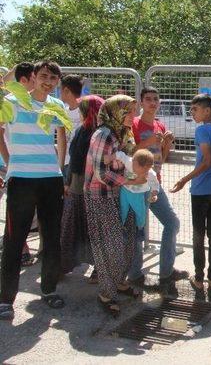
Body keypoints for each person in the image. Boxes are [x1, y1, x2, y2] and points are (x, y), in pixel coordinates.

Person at [0, 60, 68, 320]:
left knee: (51, 238)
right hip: (22, 180)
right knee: (14, 239)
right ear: (33, 77)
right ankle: (6, 300)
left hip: (50, 179)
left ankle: (49, 290)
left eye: (53, 78)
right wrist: (9, 162)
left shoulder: (57, 105)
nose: (48, 82)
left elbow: (61, 136)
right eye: (43, 76)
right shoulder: (13, 101)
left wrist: (60, 170)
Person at [85, 94, 143, 318]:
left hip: (122, 195)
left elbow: (128, 162)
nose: (132, 116)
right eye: (128, 111)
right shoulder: (104, 134)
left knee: (127, 241)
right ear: (115, 112)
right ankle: (106, 294)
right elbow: (100, 172)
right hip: (101, 196)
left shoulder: (123, 133)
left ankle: (119, 282)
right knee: (110, 247)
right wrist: (130, 181)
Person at [128, 86, 188, 289]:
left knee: (172, 223)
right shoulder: (134, 124)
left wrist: (167, 143)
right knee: (138, 230)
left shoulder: (160, 126)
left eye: (155, 99)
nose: (153, 103)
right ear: (141, 102)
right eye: (148, 99)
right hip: (137, 185)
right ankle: (134, 275)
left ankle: (166, 271)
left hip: (155, 183)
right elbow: (130, 152)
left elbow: (162, 157)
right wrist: (148, 141)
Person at [171, 94, 211, 291]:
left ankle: (199, 278)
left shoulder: (202, 130)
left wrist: (184, 179)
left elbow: (207, 160)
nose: (192, 113)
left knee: (198, 234)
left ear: (207, 110)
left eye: (195, 109)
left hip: (201, 189)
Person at [59, 95, 104, 281]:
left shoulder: (96, 133)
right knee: (79, 227)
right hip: (80, 186)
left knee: (84, 227)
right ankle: (65, 265)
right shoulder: (86, 131)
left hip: (88, 187)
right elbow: (75, 159)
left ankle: (96, 268)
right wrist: (67, 182)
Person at [0, 62, 38, 267]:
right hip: (10, 165)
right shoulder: (8, 103)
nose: (38, 83)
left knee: (22, 209)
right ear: (23, 81)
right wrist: (8, 161)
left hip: (23, 166)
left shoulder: (34, 102)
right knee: (16, 210)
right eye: (34, 78)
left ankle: (18, 248)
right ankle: (18, 251)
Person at [112, 149, 160, 230]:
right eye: (143, 169)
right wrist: (110, 157)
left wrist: (154, 194)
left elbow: (155, 183)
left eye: (147, 169)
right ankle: (119, 227)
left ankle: (140, 227)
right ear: (134, 161)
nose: (145, 171)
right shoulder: (129, 162)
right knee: (122, 209)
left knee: (140, 212)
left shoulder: (150, 173)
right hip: (125, 190)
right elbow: (120, 155)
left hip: (137, 194)